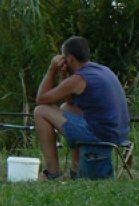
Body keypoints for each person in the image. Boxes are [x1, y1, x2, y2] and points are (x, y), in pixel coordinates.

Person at [34, 36, 130, 181]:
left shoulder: (80, 79)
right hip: (117, 133)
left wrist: (52, 69)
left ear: (70, 59)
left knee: (40, 111)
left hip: (100, 134)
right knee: (65, 107)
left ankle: (52, 172)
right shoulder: (101, 70)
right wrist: (63, 74)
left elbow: (41, 99)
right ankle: (75, 169)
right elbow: (70, 102)